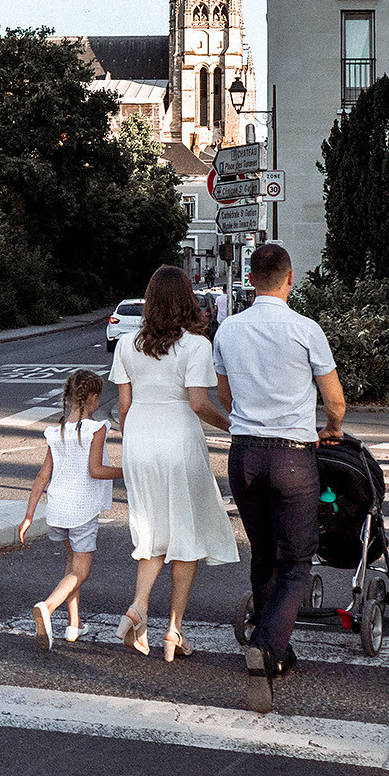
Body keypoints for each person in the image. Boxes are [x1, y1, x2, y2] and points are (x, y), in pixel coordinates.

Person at [212, 241, 346, 714]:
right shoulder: (306, 329)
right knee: (296, 563)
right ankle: (266, 647)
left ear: (250, 279)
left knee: (264, 553)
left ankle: (278, 653)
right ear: (291, 278)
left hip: (244, 456)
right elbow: (335, 400)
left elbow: (225, 395)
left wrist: (250, 415)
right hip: (292, 457)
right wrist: (332, 429)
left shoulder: (228, 329)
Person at [111, 265, 238, 660]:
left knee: (151, 532)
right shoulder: (196, 346)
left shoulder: (127, 344)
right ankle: (173, 631)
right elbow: (199, 404)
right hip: (178, 441)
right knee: (185, 536)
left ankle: (138, 608)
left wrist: (132, 446)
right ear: (187, 300)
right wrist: (233, 426)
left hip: (139, 442)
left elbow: (124, 407)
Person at [18, 370, 123, 651]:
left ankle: (74, 624)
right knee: (81, 572)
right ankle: (48, 606)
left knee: (71, 566)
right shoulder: (96, 429)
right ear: (94, 398)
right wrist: (128, 471)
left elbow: (43, 476)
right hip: (82, 510)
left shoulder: (56, 431)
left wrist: (29, 516)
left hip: (58, 509)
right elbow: (96, 470)